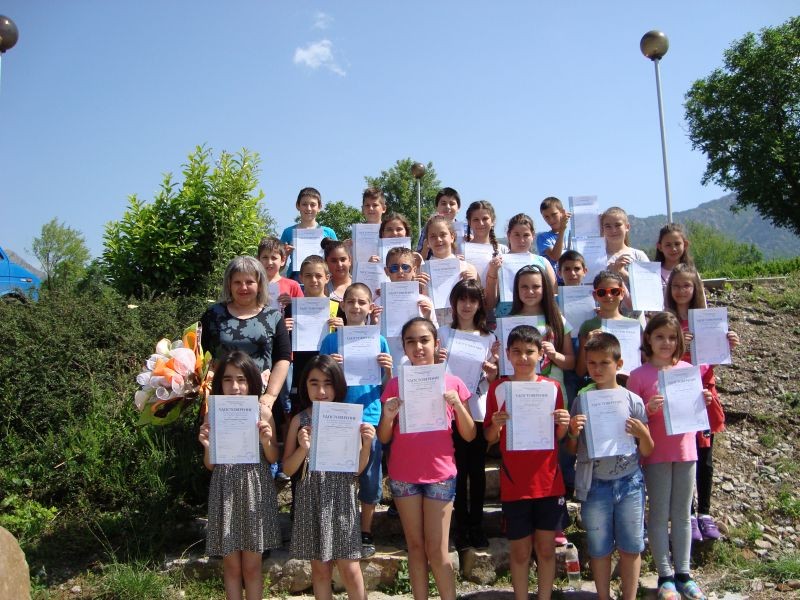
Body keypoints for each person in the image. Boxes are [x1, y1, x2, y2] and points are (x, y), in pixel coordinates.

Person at [379, 317, 475, 600]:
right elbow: (384, 437)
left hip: (440, 475)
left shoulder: (453, 383)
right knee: (415, 547)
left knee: (438, 550)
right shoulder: (395, 385)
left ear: (436, 343)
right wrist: (388, 416)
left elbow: (470, 434)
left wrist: (457, 405)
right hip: (404, 475)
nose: (418, 347)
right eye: (411, 341)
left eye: (424, 340)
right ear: (403, 347)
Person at [627, 312, 714, 600]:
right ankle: (665, 576)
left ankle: (684, 574)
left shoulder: (688, 370)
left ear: (679, 341)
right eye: (660, 337)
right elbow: (631, 420)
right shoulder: (638, 376)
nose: (666, 343)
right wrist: (648, 410)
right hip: (655, 454)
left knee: (683, 514)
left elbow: (697, 414)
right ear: (648, 339)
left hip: (686, 451)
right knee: (659, 513)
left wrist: (703, 401)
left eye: (672, 337)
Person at [483, 325, 571, 600]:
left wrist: (564, 424)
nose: (523, 358)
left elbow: (558, 436)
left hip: (548, 481)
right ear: (508, 354)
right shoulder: (499, 388)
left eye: (529, 352)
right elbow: (489, 437)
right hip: (515, 482)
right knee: (520, 552)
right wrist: (496, 425)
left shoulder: (552, 388)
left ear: (541, 355)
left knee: (546, 550)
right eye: (517, 351)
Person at [564, 333, 654, 600]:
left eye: (604, 362)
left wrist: (643, 434)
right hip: (595, 485)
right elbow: (572, 450)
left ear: (619, 364)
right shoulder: (582, 400)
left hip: (630, 483)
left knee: (631, 547)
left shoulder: (632, 400)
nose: (597, 369)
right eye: (592, 363)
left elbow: (648, 450)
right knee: (599, 549)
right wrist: (572, 433)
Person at [283, 355, 374, 600]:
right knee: (320, 570)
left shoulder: (349, 417)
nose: (321, 391)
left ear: (338, 385)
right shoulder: (299, 420)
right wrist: (303, 448)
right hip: (311, 499)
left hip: (342, 499)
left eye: (328, 383)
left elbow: (356, 469)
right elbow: (288, 469)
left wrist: (366, 445)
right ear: (305, 385)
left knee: (350, 568)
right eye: (314, 383)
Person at [198, 351, 282, 600]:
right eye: (228, 379)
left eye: (241, 379)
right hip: (224, 490)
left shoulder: (263, 412)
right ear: (219, 383)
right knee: (231, 566)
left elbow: (273, 457)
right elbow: (210, 465)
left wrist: (266, 440)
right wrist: (207, 447)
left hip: (255, 489)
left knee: (253, 566)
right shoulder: (212, 414)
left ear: (252, 381)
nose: (235, 386)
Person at [665, 264, 739, 541]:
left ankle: (704, 513)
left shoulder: (708, 319)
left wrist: (726, 343)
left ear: (696, 288)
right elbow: (655, 356)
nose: (681, 290)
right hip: (677, 393)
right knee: (683, 455)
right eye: (676, 285)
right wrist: (678, 345)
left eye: (687, 285)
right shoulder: (665, 320)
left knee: (705, 456)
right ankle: (687, 513)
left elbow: (712, 360)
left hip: (704, 394)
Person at [319, 283, 393, 558]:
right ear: (343, 305)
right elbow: (319, 383)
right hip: (337, 413)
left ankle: (365, 531)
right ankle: (338, 527)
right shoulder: (330, 341)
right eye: (351, 302)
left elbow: (385, 385)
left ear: (370, 307)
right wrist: (331, 367)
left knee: (370, 475)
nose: (356, 307)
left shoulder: (380, 341)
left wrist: (388, 370)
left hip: (369, 414)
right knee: (337, 473)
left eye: (362, 302)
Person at [437, 280, 500, 550]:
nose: (467, 305)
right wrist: (437, 361)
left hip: (476, 410)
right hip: (450, 411)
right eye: (462, 299)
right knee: (458, 470)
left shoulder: (489, 338)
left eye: (472, 300)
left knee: (477, 470)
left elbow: (491, 379)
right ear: (453, 303)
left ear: (479, 305)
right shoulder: (442, 333)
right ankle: (461, 526)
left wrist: (492, 373)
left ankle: (477, 525)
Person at [200, 256, 291, 411]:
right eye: (237, 282)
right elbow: (200, 356)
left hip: (262, 401)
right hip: (220, 399)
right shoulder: (213, 314)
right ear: (229, 284)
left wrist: (270, 395)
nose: (243, 287)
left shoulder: (273, 317)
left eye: (249, 282)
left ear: (260, 285)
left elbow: (283, 358)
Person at [257, 236, 304, 478]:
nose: (269, 262)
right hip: (261, 352)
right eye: (264, 257)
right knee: (263, 402)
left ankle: (283, 455)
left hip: (285, 353)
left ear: (283, 260)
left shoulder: (292, 285)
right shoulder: (255, 284)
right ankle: (268, 452)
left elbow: (308, 317)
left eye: (274, 257)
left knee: (284, 401)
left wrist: (293, 305)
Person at [509, 265, 575, 389]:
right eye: (524, 287)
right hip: (519, 390)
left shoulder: (558, 320)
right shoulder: (508, 322)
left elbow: (571, 363)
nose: (530, 292)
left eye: (536, 286)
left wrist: (554, 355)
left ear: (545, 288)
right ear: (516, 289)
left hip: (552, 389)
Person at [485, 213, 557, 318]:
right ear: (508, 235)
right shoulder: (498, 263)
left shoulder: (543, 262)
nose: (521, 240)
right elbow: (490, 303)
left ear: (533, 236)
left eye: (526, 235)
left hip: (537, 319)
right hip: (507, 319)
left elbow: (553, 296)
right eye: (517, 235)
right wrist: (493, 273)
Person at [575, 271, 639, 379]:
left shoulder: (634, 325)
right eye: (602, 292)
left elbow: (644, 360)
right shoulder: (588, 326)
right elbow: (580, 371)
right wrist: (587, 344)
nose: (608, 296)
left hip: (630, 382)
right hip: (598, 384)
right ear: (595, 295)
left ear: (622, 294)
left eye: (614, 291)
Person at [424, 214, 480, 327]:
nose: (438, 240)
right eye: (433, 236)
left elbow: (479, 301)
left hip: (461, 327)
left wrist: (473, 284)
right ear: (428, 242)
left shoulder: (468, 268)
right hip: (432, 327)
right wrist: (417, 286)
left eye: (443, 234)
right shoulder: (421, 271)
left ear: (452, 237)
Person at [280, 187, 338, 279]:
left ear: (319, 207)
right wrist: (285, 255)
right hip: (296, 281)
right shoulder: (288, 232)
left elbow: (336, 262)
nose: (308, 208)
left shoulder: (329, 232)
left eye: (313, 204)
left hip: (321, 281)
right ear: (297, 206)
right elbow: (279, 267)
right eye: (304, 204)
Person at [601, 207, 649, 283]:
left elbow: (648, 285)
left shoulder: (638, 256)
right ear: (602, 229)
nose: (613, 230)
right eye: (608, 226)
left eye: (618, 225)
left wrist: (621, 272)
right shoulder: (596, 258)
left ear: (627, 227)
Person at [417, 187, 464, 259]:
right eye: (443, 203)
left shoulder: (467, 229)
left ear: (458, 208)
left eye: (452, 204)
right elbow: (419, 258)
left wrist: (471, 242)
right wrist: (425, 248)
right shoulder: (428, 228)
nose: (448, 207)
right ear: (437, 207)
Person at [537, 197, 571, 278]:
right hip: (554, 282)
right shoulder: (543, 237)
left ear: (562, 212)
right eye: (546, 217)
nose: (551, 220)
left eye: (554, 214)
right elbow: (555, 256)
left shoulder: (573, 235)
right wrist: (562, 230)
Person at [654, 223, 693, 287]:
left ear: (685, 245)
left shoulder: (692, 273)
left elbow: (699, 293)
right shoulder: (653, 274)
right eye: (668, 245)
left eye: (677, 244)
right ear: (660, 247)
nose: (673, 249)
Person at [321, 239, 352, 303]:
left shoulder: (360, 283)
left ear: (350, 260)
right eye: (334, 261)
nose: (339, 264)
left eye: (343, 259)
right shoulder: (323, 288)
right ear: (326, 263)